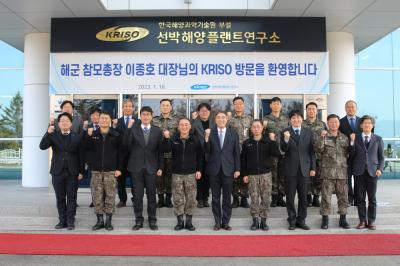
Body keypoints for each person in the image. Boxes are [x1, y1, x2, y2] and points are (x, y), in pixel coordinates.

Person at [39, 112, 85, 230]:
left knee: (71, 197)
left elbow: (81, 156)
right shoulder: (53, 135)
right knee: (60, 197)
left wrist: (81, 172)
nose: (64, 123)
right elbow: (42, 146)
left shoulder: (77, 136)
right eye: (62, 121)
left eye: (67, 121)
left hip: (73, 172)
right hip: (57, 171)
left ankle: (70, 221)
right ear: (58, 124)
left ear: (71, 123)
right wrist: (47, 132)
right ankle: (62, 221)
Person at [123, 106, 163, 231]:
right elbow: (125, 144)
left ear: (152, 116)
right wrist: (128, 129)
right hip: (136, 167)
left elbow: (160, 151)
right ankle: (138, 220)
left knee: (152, 196)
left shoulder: (157, 131)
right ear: (140, 116)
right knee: (138, 197)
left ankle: (152, 220)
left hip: (151, 168)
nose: (145, 117)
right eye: (143, 114)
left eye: (148, 114)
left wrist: (160, 167)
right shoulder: (133, 129)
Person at [163, 117, 203, 231]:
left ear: (190, 127)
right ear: (178, 127)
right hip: (177, 174)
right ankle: (180, 221)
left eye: (186, 125)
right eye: (182, 125)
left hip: (191, 174)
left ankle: (189, 222)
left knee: (191, 199)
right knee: (178, 198)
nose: (184, 127)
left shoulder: (195, 140)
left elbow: (200, 156)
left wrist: (199, 170)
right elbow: (165, 150)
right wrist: (166, 138)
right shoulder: (173, 139)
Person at [85, 111, 123, 231]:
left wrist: (119, 169)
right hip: (96, 171)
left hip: (110, 171)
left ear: (110, 120)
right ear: (99, 120)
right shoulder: (93, 134)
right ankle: (99, 220)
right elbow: (86, 150)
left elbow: (121, 154)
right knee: (97, 196)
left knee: (110, 196)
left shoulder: (116, 135)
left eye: (106, 118)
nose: (104, 120)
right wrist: (88, 136)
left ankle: (108, 221)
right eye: (102, 118)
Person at [204, 111, 240, 231]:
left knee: (226, 198)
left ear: (227, 119)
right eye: (218, 117)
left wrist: (237, 169)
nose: (221, 119)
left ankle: (226, 222)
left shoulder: (233, 134)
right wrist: (206, 138)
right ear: (215, 120)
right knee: (215, 198)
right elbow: (206, 151)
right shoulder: (210, 132)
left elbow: (236, 153)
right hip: (214, 170)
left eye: (223, 117)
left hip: (228, 170)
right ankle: (217, 222)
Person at [241, 120, 280, 231]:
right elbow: (243, 159)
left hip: (265, 175)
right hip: (252, 175)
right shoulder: (247, 143)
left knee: (266, 199)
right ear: (251, 129)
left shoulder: (267, 141)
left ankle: (263, 221)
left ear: (262, 128)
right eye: (254, 127)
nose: (256, 129)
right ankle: (255, 221)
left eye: (258, 127)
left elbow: (277, 153)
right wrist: (244, 174)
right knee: (254, 199)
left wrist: (272, 140)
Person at [281, 110, 316, 230]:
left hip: (304, 169)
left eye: (298, 118)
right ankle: (292, 219)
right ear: (290, 120)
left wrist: (313, 168)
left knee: (303, 197)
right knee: (290, 197)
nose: (296, 120)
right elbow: (283, 149)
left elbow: (311, 152)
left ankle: (301, 220)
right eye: (293, 118)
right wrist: (286, 140)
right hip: (290, 170)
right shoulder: (285, 132)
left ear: (302, 119)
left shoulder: (308, 132)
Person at [314, 114, 351, 229]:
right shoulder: (324, 136)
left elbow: (349, 154)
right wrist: (321, 137)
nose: (333, 124)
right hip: (327, 174)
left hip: (342, 173)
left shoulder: (345, 138)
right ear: (327, 123)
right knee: (326, 197)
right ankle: (325, 220)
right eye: (331, 122)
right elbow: (318, 150)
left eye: (336, 122)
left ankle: (343, 220)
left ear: (339, 123)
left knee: (343, 197)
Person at [349, 115, 384, 230]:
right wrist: (352, 142)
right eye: (365, 123)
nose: (367, 125)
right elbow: (352, 155)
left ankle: (372, 221)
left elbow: (381, 157)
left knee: (372, 198)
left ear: (372, 125)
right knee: (360, 198)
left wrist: (380, 169)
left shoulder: (378, 139)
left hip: (373, 172)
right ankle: (362, 221)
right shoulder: (356, 138)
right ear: (361, 125)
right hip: (359, 172)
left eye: (369, 123)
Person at [113, 99, 141, 208]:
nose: (128, 108)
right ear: (122, 108)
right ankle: (122, 200)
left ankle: (135, 199)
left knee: (135, 179)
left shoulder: (138, 121)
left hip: (134, 155)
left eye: (130, 106)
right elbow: (115, 137)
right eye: (126, 106)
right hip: (120, 155)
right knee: (121, 179)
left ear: (133, 108)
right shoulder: (117, 122)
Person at [152, 99, 179, 208]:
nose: (165, 107)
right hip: (157, 154)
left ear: (170, 107)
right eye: (163, 105)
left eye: (167, 105)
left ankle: (168, 199)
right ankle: (160, 199)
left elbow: (179, 135)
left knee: (170, 177)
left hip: (172, 154)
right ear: (160, 107)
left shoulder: (176, 121)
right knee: (158, 178)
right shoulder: (154, 121)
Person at [263, 97, 289, 207]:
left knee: (282, 174)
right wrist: (264, 128)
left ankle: (280, 197)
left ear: (281, 105)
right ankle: (273, 197)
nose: (276, 105)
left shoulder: (286, 119)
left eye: (278, 103)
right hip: (271, 152)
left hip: (284, 151)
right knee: (273, 174)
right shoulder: (265, 119)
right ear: (270, 106)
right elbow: (261, 134)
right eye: (273, 103)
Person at [228, 96, 253, 208]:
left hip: (246, 152)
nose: (238, 105)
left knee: (245, 174)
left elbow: (253, 134)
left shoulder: (249, 119)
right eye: (236, 103)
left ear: (243, 105)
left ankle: (244, 198)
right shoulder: (230, 120)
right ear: (234, 106)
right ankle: (235, 198)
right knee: (234, 175)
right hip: (233, 152)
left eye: (240, 103)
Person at [303, 102, 327, 207]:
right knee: (307, 176)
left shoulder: (322, 124)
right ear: (306, 111)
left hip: (319, 155)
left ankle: (316, 197)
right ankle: (308, 196)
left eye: (313, 109)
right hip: (305, 155)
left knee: (319, 176)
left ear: (316, 111)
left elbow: (326, 139)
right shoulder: (302, 123)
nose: (311, 111)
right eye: (309, 109)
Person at [192, 103, 215, 208]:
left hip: (211, 153)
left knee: (208, 177)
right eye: (202, 110)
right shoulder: (195, 123)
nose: (204, 112)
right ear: (198, 112)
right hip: (198, 153)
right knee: (199, 177)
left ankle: (206, 198)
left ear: (209, 112)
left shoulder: (214, 123)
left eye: (206, 110)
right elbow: (190, 133)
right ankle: (199, 199)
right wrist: (192, 120)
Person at [339, 100, 361, 206]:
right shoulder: (340, 121)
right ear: (345, 109)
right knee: (347, 177)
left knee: (358, 177)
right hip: (345, 154)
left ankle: (358, 199)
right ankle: (349, 198)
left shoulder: (363, 121)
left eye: (352, 107)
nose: (350, 109)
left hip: (359, 156)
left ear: (356, 109)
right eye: (348, 107)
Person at [84, 107, 101, 208]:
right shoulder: (87, 127)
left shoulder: (105, 126)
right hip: (92, 160)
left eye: (97, 115)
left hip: (103, 159)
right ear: (91, 117)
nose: (95, 117)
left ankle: (102, 199)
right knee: (93, 182)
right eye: (93, 115)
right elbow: (84, 144)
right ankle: (94, 200)